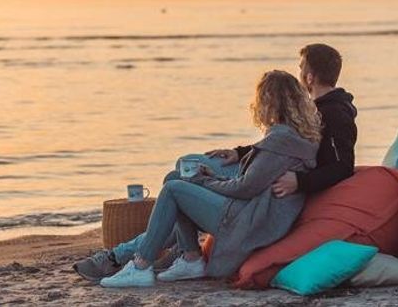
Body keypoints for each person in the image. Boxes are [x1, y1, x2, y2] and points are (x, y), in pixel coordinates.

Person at [74, 43, 357, 281]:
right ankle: (185, 252)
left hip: (272, 192)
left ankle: (130, 256)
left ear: (308, 76)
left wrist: (300, 181)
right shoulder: (306, 111)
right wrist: (240, 152)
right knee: (183, 166)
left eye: (300, 68)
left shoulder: (334, 114)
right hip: (270, 169)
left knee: (180, 183)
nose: (298, 74)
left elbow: (340, 166)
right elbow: (277, 147)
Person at [98, 70, 320, 287]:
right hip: (254, 213)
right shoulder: (294, 138)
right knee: (177, 177)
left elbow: (245, 188)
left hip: (247, 222)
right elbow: (254, 181)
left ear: (268, 102)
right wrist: (214, 177)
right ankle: (191, 259)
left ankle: (140, 266)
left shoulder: (280, 141)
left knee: (174, 188)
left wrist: (205, 182)